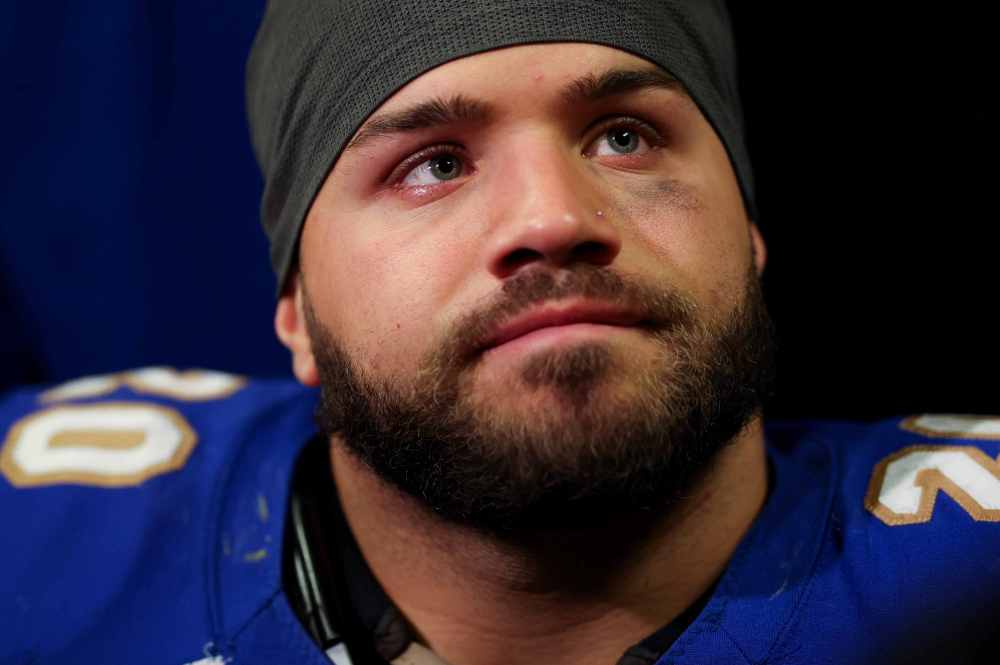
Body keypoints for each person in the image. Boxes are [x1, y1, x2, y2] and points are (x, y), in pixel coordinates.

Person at [1, 2, 998, 664]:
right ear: (295, 311)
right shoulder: (44, 550)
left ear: (747, 233)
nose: (551, 218)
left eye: (624, 135)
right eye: (433, 163)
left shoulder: (963, 577)